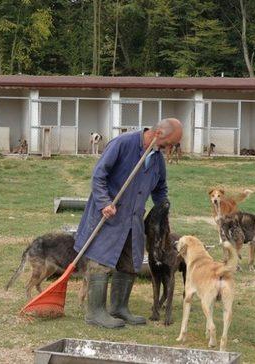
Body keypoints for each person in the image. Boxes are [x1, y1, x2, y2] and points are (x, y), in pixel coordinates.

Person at [73, 118, 183, 328]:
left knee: (130, 262)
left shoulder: (157, 158)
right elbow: (98, 176)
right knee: (100, 260)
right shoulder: (123, 143)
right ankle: (95, 312)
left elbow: (160, 188)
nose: (170, 149)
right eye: (169, 144)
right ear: (158, 133)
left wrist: (163, 207)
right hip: (108, 215)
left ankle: (119, 308)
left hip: (133, 219)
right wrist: (104, 202)